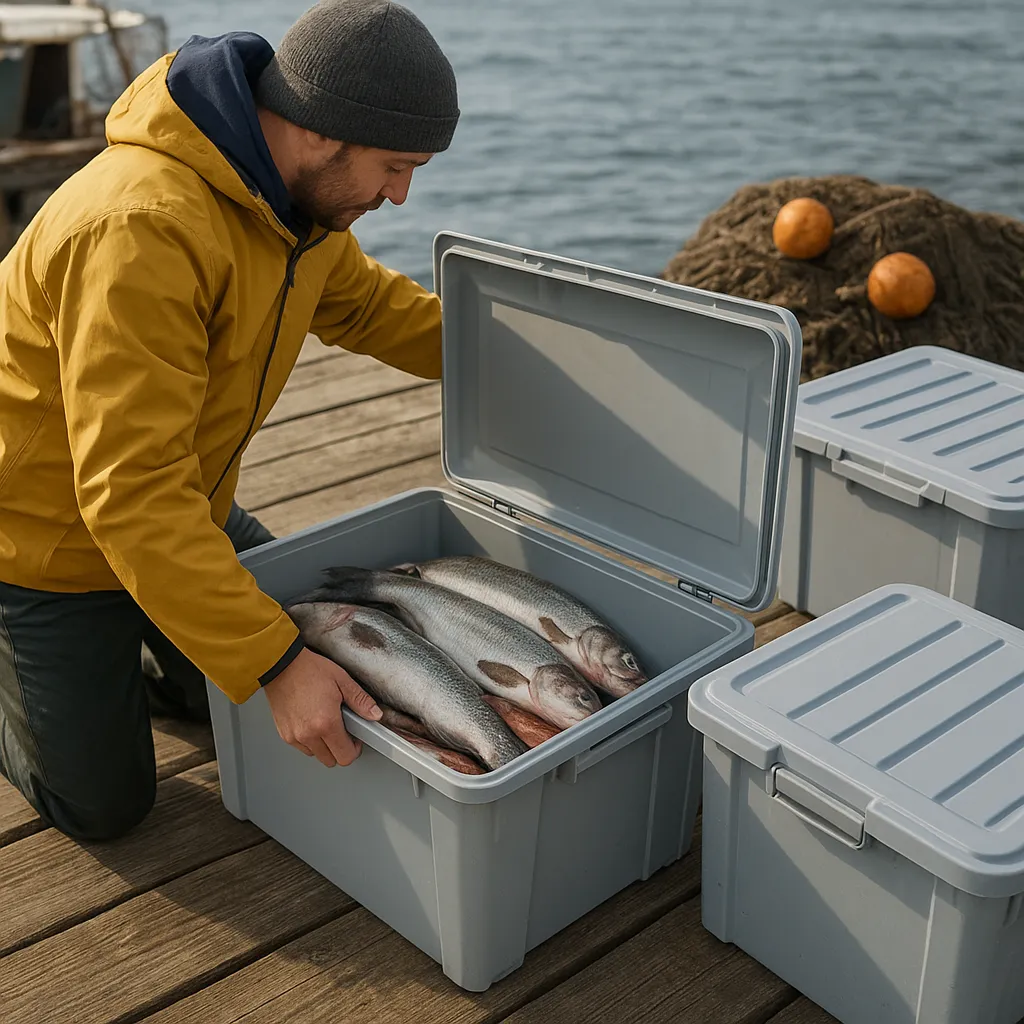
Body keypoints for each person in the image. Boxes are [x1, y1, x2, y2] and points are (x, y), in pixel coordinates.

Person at [0, 0, 460, 842]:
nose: (400, 196)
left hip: (188, 511)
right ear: (321, 132)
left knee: (279, 677)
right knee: (103, 806)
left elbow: (371, 308)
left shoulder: (295, 206)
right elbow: (132, 495)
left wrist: (522, 353)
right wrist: (275, 665)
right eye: (395, 167)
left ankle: (137, 652)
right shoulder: (140, 230)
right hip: (45, 545)